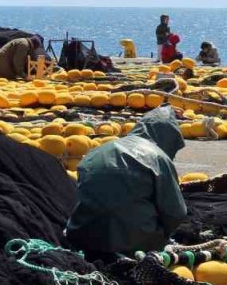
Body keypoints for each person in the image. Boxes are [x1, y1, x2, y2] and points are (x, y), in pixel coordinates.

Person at [64, 106, 187, 258]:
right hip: (135, 243)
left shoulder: (97, 151)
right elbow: (175, 213)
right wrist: (163, 234)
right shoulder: (158, 157)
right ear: (169, 137)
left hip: (85, 235)